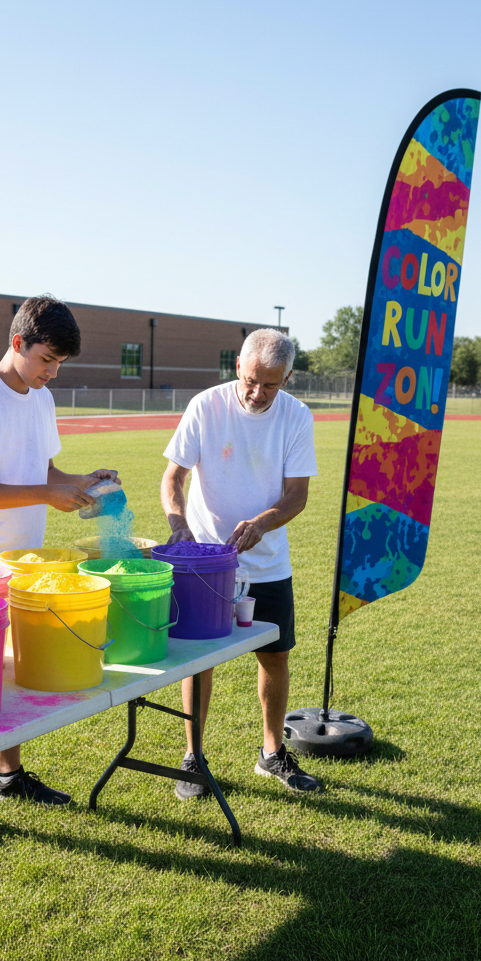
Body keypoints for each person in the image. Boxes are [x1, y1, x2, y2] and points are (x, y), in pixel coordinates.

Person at [0, 296, 118, 844]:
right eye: (46, 359)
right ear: (17, 343)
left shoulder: (41, 397)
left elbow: (45, 468)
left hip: (25, 562)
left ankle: (7, 776)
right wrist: (44, 491)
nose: (52, 371)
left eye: (60, 363)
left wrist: (79, 481)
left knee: (12, 673)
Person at [160, 328, 321, 795]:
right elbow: (173, 478)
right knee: (198, 659)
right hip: (207, 563)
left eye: (270, 384)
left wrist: (262, 523)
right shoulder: (206, 406)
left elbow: (297, 496)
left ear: (288, 377)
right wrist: (177, 525)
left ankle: (272, 753)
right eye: (251, 380)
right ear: (237, 366)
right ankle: (193, 757)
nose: (257, 392)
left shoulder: (297, 416)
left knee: (274, 656)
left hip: (268, 562)